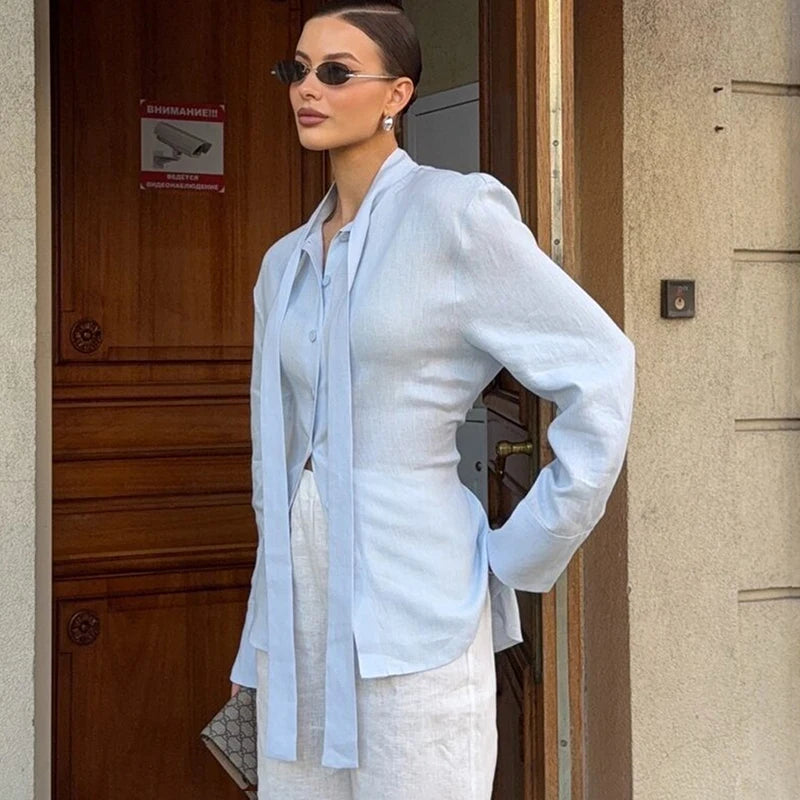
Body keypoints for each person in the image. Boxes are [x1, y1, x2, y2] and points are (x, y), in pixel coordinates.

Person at [228, 1, 636, 797]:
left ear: (397, 95)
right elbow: (269, 434)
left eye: (336, 72)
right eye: (297, 69)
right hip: (295, 608)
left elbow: (601, 367)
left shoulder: (456, 216)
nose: (307, 88)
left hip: (415, 600)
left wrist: (521, 552)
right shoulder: (283, 263)